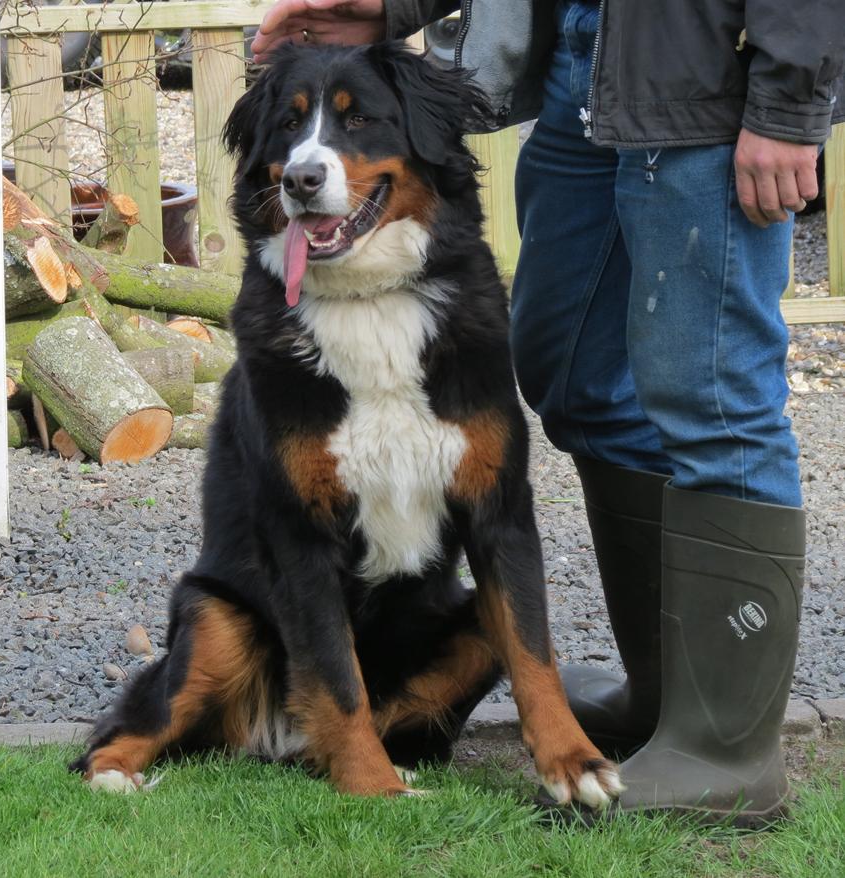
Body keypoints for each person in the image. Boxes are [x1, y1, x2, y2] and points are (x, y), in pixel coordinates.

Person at [252, 0, 844, 823]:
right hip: (582, 61)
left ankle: (727, 747)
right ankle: (669, 701)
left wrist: (787, 103)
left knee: (712, 393)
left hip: (709, 64)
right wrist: (392, 9)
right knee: (578, 381)